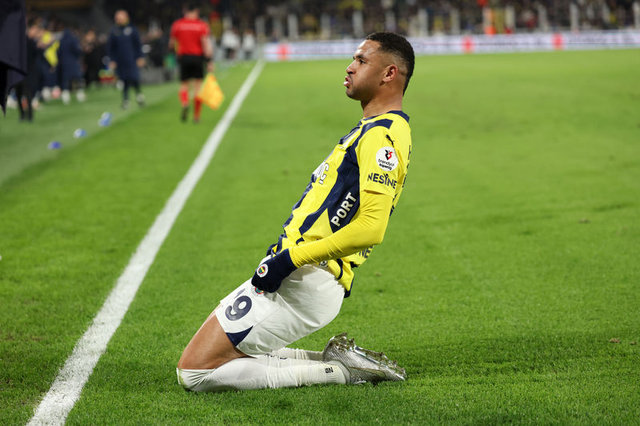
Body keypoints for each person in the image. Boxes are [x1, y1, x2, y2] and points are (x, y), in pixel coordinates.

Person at [176, 32, 415, 392]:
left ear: (389, 73)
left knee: (195, 371)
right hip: (302, 272)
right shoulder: (375, 129)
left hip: (306, 275)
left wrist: (289, 260)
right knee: (219, 355)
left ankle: (342, 372)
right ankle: (337, 360)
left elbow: (371, 227)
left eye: (361, 60)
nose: (350, 67)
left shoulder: (382, 135)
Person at [169, 4, 213, 123]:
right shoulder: (201, 25)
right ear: (196, 11)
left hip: (183, 57)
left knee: (184, 85)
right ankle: (196, 116)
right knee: (198, 87)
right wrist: (209, 61)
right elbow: (206, 44)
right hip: (197, 58)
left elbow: (171, 44)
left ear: (185, 11)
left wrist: (174, 54)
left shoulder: (177, 25)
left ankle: (185, 103)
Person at [107, 10, 145, 109]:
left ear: (126, 18)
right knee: (124, 80)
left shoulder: (132, 30)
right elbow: (111, 48)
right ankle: (125, 100)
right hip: (120, 61)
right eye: (117, 18)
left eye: (121, 18)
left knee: (134, 78)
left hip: (132, 59)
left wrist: (140, 57)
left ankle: (139, 95)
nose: (119, 20)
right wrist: (112, 60)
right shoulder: (114, 32)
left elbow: (138, 45)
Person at [57, 25, 85, 104]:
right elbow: (77, 50)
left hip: (64, 63)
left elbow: (58, 52)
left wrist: (60, 61)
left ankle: (65, 96)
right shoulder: (73, 39)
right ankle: (80, 94)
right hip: (73, 62)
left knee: (65, 80)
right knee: (78, 78)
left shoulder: (61, 40)